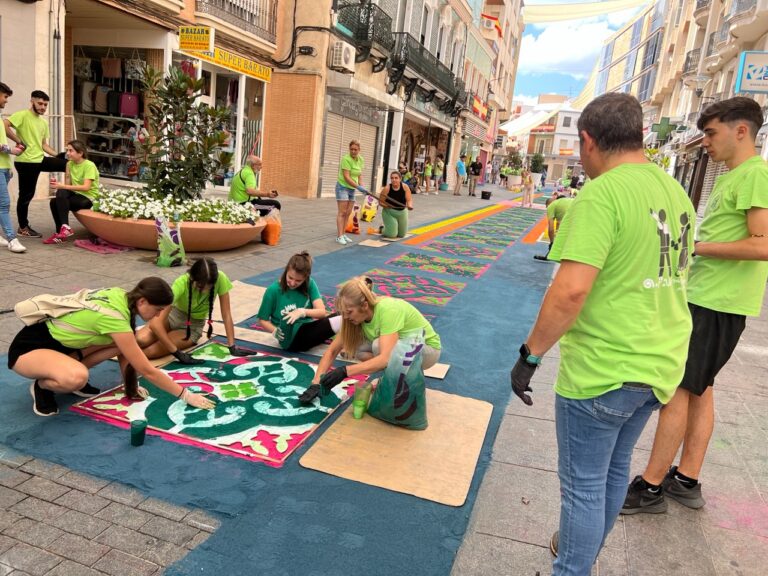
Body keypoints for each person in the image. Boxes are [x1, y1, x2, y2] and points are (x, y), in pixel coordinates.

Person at [508, 93, 695, 575]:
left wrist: (529, 356)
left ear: (588, 140)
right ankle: (581, 556)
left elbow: (570, 292)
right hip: (658, 366)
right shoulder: (675, 192)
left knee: (584, 488)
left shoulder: (601, 194)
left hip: (603, 371)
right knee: (613, 473)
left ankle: (573, 568)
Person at [622, 96, 768, 516]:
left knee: (676, 390)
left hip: (715, 302)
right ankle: (686, 478)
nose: (704, 141)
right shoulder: (736, 175)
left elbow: (762, 245)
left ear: (742, 131)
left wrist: (694, 247)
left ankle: (650, 486)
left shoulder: (754, 177)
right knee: (700, 390)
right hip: (712, 299)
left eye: (711, 132)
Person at [9, 277, 217, 417]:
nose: (158, 315)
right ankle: (42, 387)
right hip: (29, 350)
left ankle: (63, 371)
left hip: (62, 346)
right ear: (143, 301)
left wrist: (131, 386)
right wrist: (186, 395)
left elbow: (127, 349)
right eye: (158, 310)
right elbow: (146, 369)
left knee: (124, 342)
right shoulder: (115, 318)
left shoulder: (122, 295)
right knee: (76, 377)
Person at [297, 276, 441, 404]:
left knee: (379, 347)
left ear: (364, 305)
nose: (346, 317)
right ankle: (395, 375)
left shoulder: (388, 309)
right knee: (357, 348)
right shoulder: (354, 317)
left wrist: (345, 371)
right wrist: (315, 382)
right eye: (344, 313)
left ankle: (399, 379)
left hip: (427, 350)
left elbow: (385, 358)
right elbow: (332, 351)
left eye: (349, 312)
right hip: (406, 346)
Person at [136, 257, 248, 363]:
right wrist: (177, 353)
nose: (204, 291)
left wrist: (232, 346)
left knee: (150, 352)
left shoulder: (220, 278)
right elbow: (156, 324)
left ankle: (128, 356)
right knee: (140, 340)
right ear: (192, 278)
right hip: (172, 317)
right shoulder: (182, 282)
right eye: (200, 287)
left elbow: (226, 314)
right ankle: (124, 351)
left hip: (192, 326)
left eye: (208, 288)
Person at [3, 90, 66, 238]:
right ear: (32, 101)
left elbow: (44, 145)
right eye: (40, 103)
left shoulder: (43, 123)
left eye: (45, 104)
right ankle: (23, 227)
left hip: (39, 159)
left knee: (67, 164)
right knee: (26, 196)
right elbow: (5, 125)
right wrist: (18, 141)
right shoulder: (22, 115)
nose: (43, 107)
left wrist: (58, 155)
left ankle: (73, 193)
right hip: (26, 162)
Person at [257, 251, 341, 352]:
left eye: (298, 281)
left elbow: (321, 312)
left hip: (307, 329)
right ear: (286, 271)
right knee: (343, 318)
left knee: (345, 314)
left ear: (306, 278)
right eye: (290, 278)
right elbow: (262, 319)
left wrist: (302, 312)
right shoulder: (273, 290)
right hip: (289, 338)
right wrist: (274, 331)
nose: (292, 283)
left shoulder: (310, 283)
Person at [44, 140, 99, 244]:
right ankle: (62, 231)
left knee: (59, 195)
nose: (67, 153)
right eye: (67, 150)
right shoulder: (69, 164)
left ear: (80, 153)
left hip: (88, 198)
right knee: (55, 200)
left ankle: (63, 231)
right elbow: (68, 186)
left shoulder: (89, 165)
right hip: (75, 194)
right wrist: (58, 185)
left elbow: (86, 187)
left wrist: (62, 186)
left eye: (71, 150)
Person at [0, 82, 26, 253]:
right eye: (5, 96)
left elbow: (4, 131)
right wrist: (13, 150)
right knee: (4, 204)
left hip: (4, 166)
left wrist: (18, 141)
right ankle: (12, 239)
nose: (6, 100)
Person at [335, 140, 366, 245]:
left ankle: (343, 234)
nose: (353, 151)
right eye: (351, 149)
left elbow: (359, 174)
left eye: (355, 149)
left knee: (348, 212)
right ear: (349, 149)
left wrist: (362, 186)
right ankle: (339, 236)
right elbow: (347, 177)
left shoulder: (360, 159)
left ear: (359, 150)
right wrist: (358, 187)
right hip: (342, 187)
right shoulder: (346, 159)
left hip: (352, 188)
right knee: (342, 212)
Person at [379, 170, 413, 239]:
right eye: (392, 178)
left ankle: (392, 227)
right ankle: (382, 229)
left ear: (400, 179)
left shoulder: (405, 187)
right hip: (389, 212)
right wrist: (387, 205)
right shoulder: (387, 188)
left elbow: (409, 200)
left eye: (396, 178)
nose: (394, 180)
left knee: (401, 235)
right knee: (392, 235)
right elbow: (381, 202)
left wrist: (409, 205)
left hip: (402, 212)